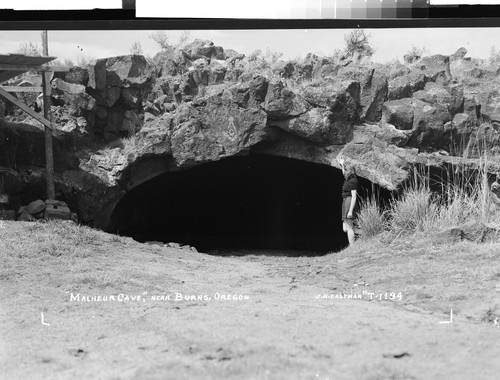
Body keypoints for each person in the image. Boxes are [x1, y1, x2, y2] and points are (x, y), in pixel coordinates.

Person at [338, 156, 358, 245]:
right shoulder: (348, 179)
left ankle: (352, 247)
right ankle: (363, 232)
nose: (344, 171)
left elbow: (354, 196)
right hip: (345, 201)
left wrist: (350, 211)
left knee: (349, 227)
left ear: (349, 171)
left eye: (346, 170)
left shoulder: (353, 181)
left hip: (349, 202)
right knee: (345, 228)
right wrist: (342, 164)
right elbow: (343, 173)